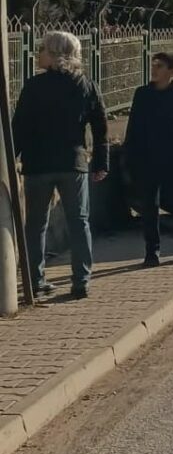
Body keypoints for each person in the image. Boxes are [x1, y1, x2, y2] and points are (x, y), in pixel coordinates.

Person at [12, 32, 108, 300]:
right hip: (72, 163)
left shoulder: (33, 86)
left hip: (38, 165)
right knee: (79, 222)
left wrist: (10, 161)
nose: (37, 53)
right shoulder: (85, 85)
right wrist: (101, 162)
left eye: (42, 49)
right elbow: (100, 126)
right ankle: (81, 281)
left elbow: (18, 128)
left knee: (35, 225)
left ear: (55, 54)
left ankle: (35, 280)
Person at [125, 53, 173, 267]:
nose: (154, 69)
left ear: (171, 70)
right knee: (149, 209)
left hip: (172, 162)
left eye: (159, 66)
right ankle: (152, 252)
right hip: (146, 161)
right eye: (153, 65)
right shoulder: (142, 94)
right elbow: (134, 128)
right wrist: (130, 159)